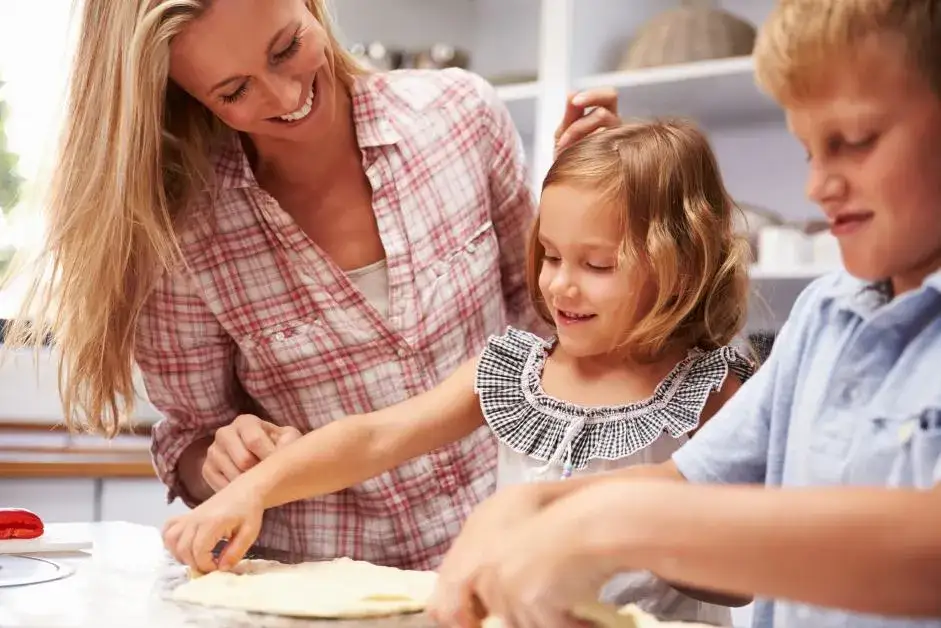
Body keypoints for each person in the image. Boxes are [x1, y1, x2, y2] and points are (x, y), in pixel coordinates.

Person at [0, 0, 619, 570]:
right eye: (235, 90)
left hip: (507, 563)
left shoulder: (461, 116)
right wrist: (220, 459)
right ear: (185, 96)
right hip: (315, 589)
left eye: (286, 46)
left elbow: (550, 331)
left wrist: (604, 208)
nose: (286, 93)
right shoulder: (181, 239)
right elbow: (189, 443)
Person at [425, 1, 941, 627]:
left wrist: (609, 526)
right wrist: (529, 509)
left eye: (854, 143)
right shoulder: (823, 319)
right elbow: (689, 482)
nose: (816, 187)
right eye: (808, 152)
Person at [162, 118, 756, 625]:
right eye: (549, 255)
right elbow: (374, 438)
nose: (560, 283)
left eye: (597, 264)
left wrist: (624, 538)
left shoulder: (705, 392)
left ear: (679, 267)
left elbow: (738, 581)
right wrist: (251, 491)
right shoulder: (514, 369)